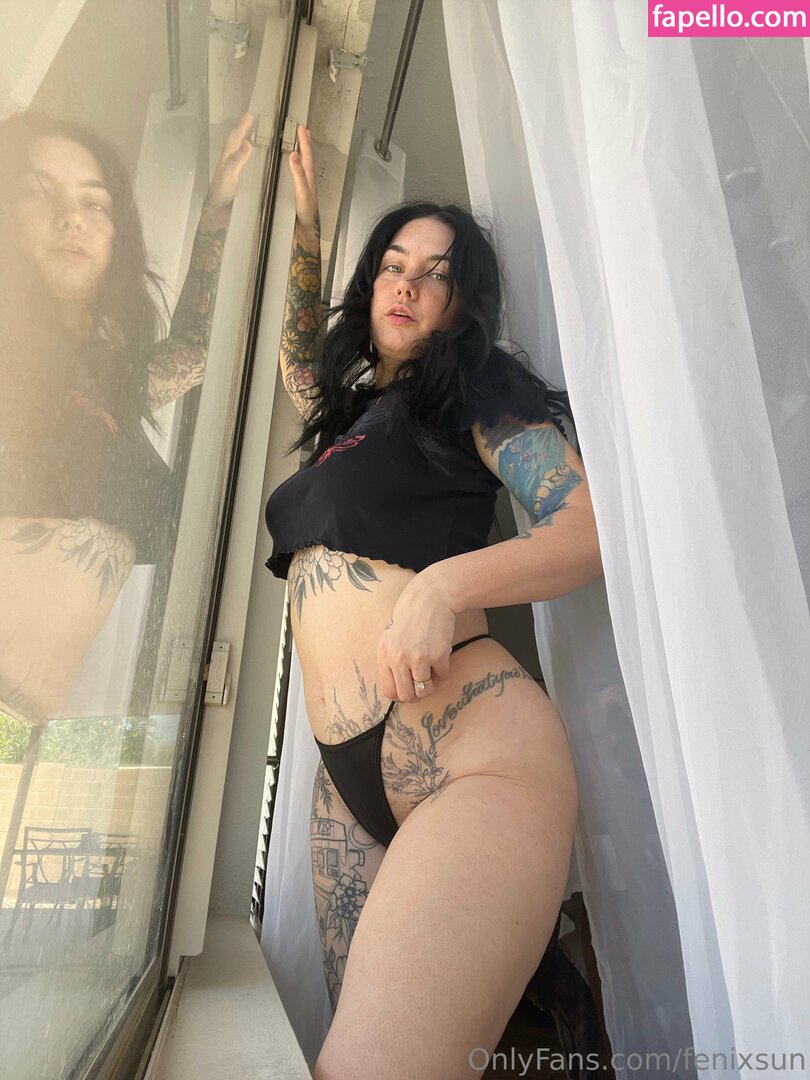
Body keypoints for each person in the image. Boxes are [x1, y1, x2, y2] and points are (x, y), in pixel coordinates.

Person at [264, 124, 603, 1079]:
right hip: (351, 778)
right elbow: (298, 361)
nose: (407, 284)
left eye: (435, 274)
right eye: (393, 266)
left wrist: (445, 586)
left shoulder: (475, 394)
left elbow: (585, 529)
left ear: (461, 305)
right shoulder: (351, 419)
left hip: (473, 759)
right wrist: (306, 221)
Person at [0, 109, 254, 726]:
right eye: (38, 191)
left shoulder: (108, 379)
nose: (72, 218)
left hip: (61, 726)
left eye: (95, 202)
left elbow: (192, 351)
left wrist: (218, 210)